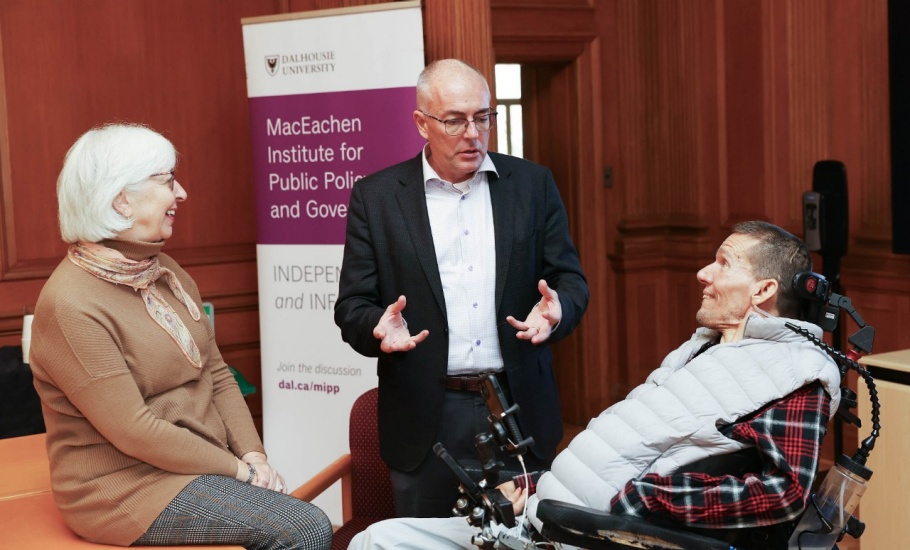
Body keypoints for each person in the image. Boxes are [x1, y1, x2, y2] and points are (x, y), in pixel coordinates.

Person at [349, 221, 843, 550]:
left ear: (763, 290)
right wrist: (534, 485)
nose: (703, 272)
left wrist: (639, 503)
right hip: (547, 513)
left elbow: (782, 493)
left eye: (724, 262)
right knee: (375, 540)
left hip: (589, 534)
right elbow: (624, 450)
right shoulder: (702, 347)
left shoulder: (796, 373)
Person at [28, 123, 333, 549]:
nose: (182, 193)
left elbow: (217, 373)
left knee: (301, 520)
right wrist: (239, 472)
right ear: (121, 199)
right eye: (167, 180)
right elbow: (133, 430)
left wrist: (253, 455)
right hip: (126, 489)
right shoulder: (70, 306)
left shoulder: (165, 272)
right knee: (302, 527)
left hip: (198, 465)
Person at [334, 58, 589, 518]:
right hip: (424, 416)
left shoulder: (532, 185)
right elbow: (352, 305)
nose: (473, 133)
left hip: (517, 408)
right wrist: (376, 326)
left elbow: (571, 281)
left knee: (523, 541)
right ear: (421, 123)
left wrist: (557, 311)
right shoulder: (377, 197)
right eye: (454, 120)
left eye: (483, 117)